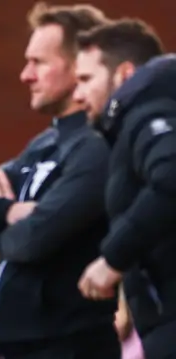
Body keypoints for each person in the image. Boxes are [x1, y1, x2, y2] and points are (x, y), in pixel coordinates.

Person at [0, 3, 120, 358]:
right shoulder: (44, 143)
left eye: (39, 62)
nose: (25, 75)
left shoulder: (98, 147)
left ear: (80, 67)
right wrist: (9, 211)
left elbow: (31, 242)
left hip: (67, 348)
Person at [73, 19, 176, 358]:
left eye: (86, 79)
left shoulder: (148, 115)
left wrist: (113, 258)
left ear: (125, 75)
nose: (78, 94)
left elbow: (171, 178)